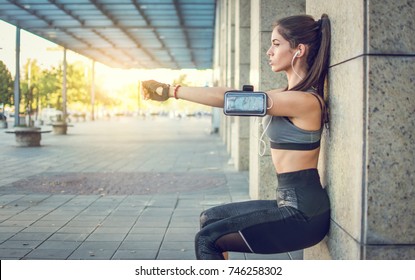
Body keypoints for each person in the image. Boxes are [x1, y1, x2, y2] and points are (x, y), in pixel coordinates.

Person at [142, 14, 331, 260]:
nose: (268, 52)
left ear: (299, 50)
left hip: (304, 215)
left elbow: (229, 99)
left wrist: (171, 90)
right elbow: (230, 96)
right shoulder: (287, 95)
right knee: (209, 219)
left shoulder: (303, 100)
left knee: (207, 239)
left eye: (276, 44)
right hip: (289, 203)